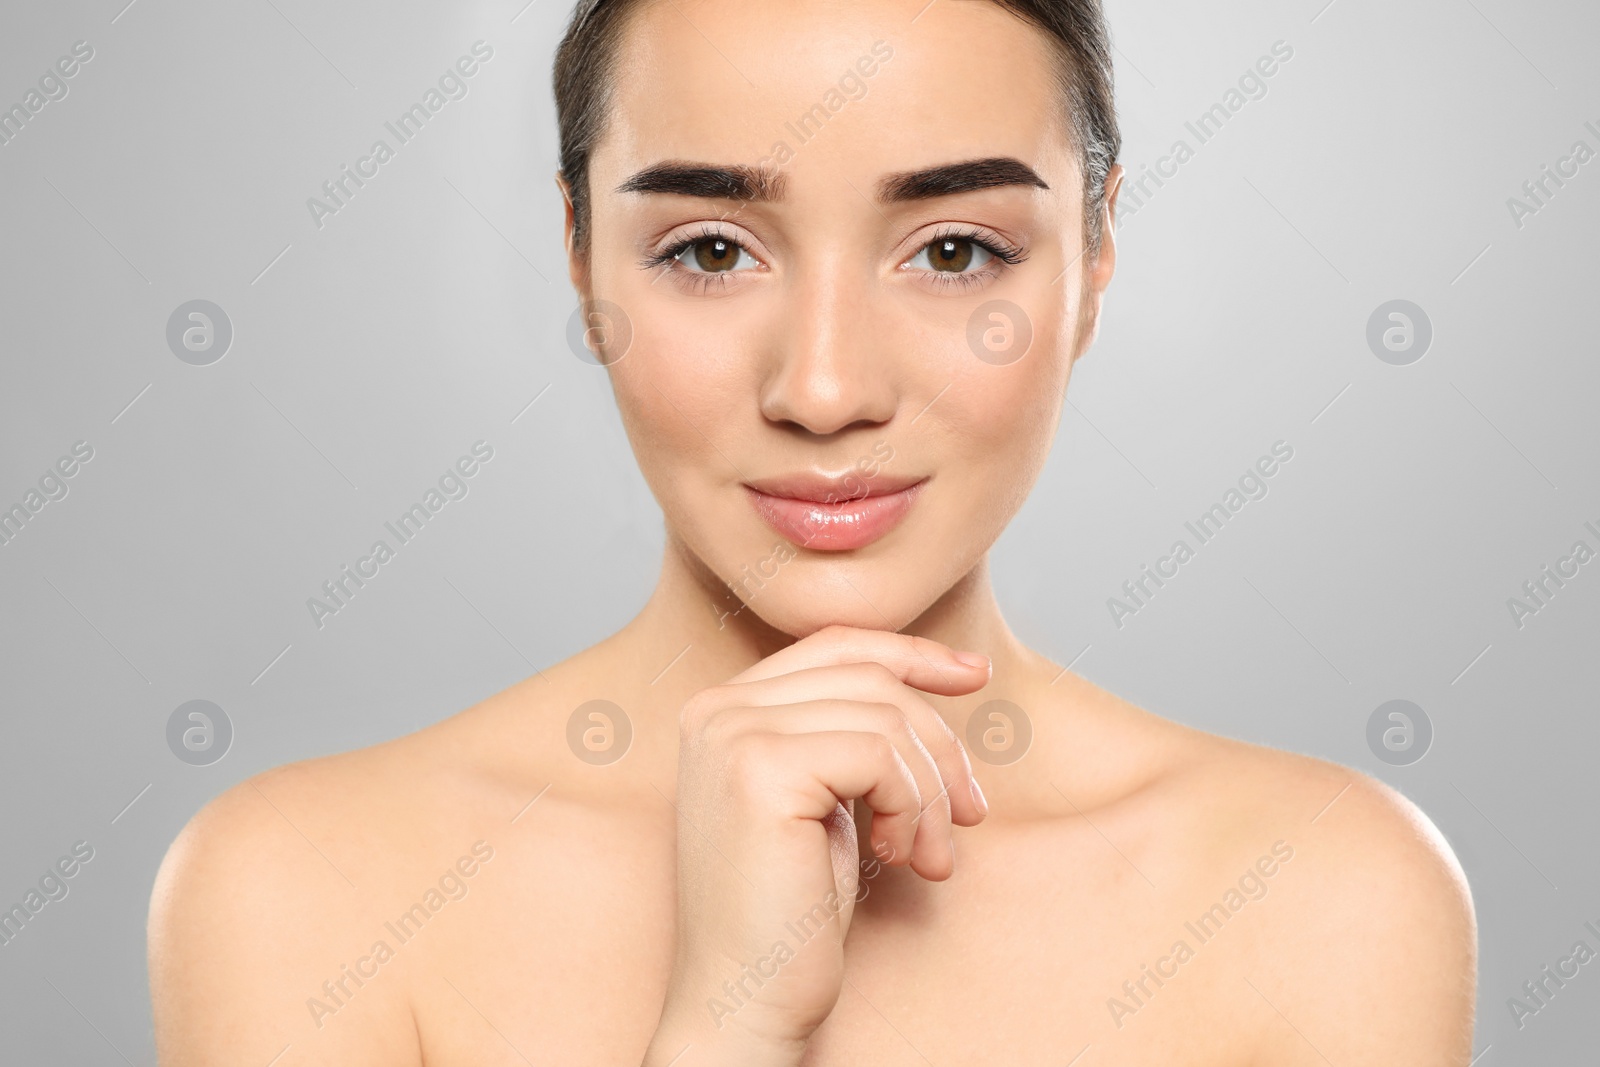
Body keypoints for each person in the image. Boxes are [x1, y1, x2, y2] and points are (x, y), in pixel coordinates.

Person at [148, 0, 1477, 1063]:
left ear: (1097, 254)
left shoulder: (1325, 899)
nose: (826, 390)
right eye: (712, 251)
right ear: (575, 248)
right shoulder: (305, 896)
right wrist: (727, 1026)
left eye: (954, 250)